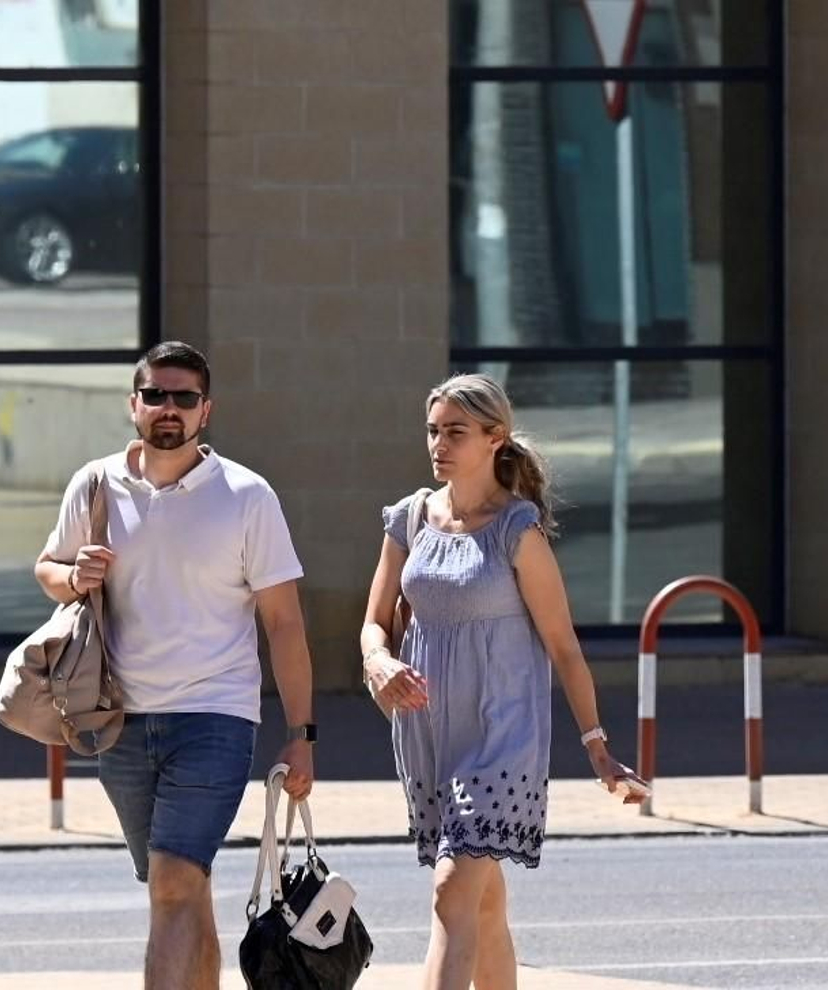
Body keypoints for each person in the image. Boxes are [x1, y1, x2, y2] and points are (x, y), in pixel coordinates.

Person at [35, 340, 316, 990]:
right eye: (156, 395)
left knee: (172, 884)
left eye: (183, 398)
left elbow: (284, 623)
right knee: (182, 884)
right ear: (133, 404)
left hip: (214, 718)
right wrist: (73, 575)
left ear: (205, 410)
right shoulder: (97, 484)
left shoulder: (247, 496)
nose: (169, 408)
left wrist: (302, 737)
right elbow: (48, 570)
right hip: (118, 720)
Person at [358, 373, 644, 990]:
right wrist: (378, 661)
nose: (439, 444)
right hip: (431, 734)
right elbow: (373, 625)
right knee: (483, 909)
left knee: (451, 895)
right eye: (433, 430)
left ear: (495, 438)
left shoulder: (518, 531)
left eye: (455, 432)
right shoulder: (409, 519)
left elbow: (564, 647)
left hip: (503, 739)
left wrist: (597, 748)